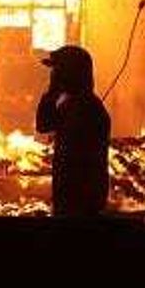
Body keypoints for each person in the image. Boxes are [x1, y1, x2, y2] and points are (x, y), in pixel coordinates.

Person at [36, 45, 110, 216]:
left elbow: (77, 160)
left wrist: (52, 91)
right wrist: (52, 93)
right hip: (70, 198)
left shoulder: (87, 109)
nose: (54, 75)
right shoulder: (71, 105)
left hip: (81, 202)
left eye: (58, 71)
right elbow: (44, 125)